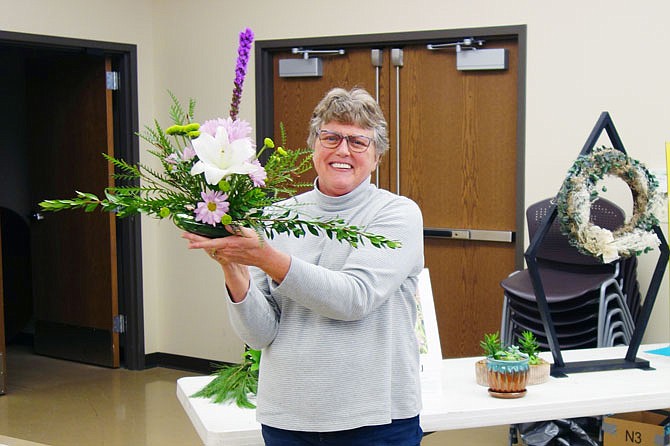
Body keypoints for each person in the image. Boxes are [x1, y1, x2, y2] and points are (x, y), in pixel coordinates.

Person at [183, 87, 425, 445]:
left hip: (377, 421)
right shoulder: (276, 216)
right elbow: (259, 334)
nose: (343, 150)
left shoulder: (397, 214)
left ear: (376, 158)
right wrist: (233, 265)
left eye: (358, 142)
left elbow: (353, 299)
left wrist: (263, 256)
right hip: (288, 418)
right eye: (331, 137)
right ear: (314, 146)